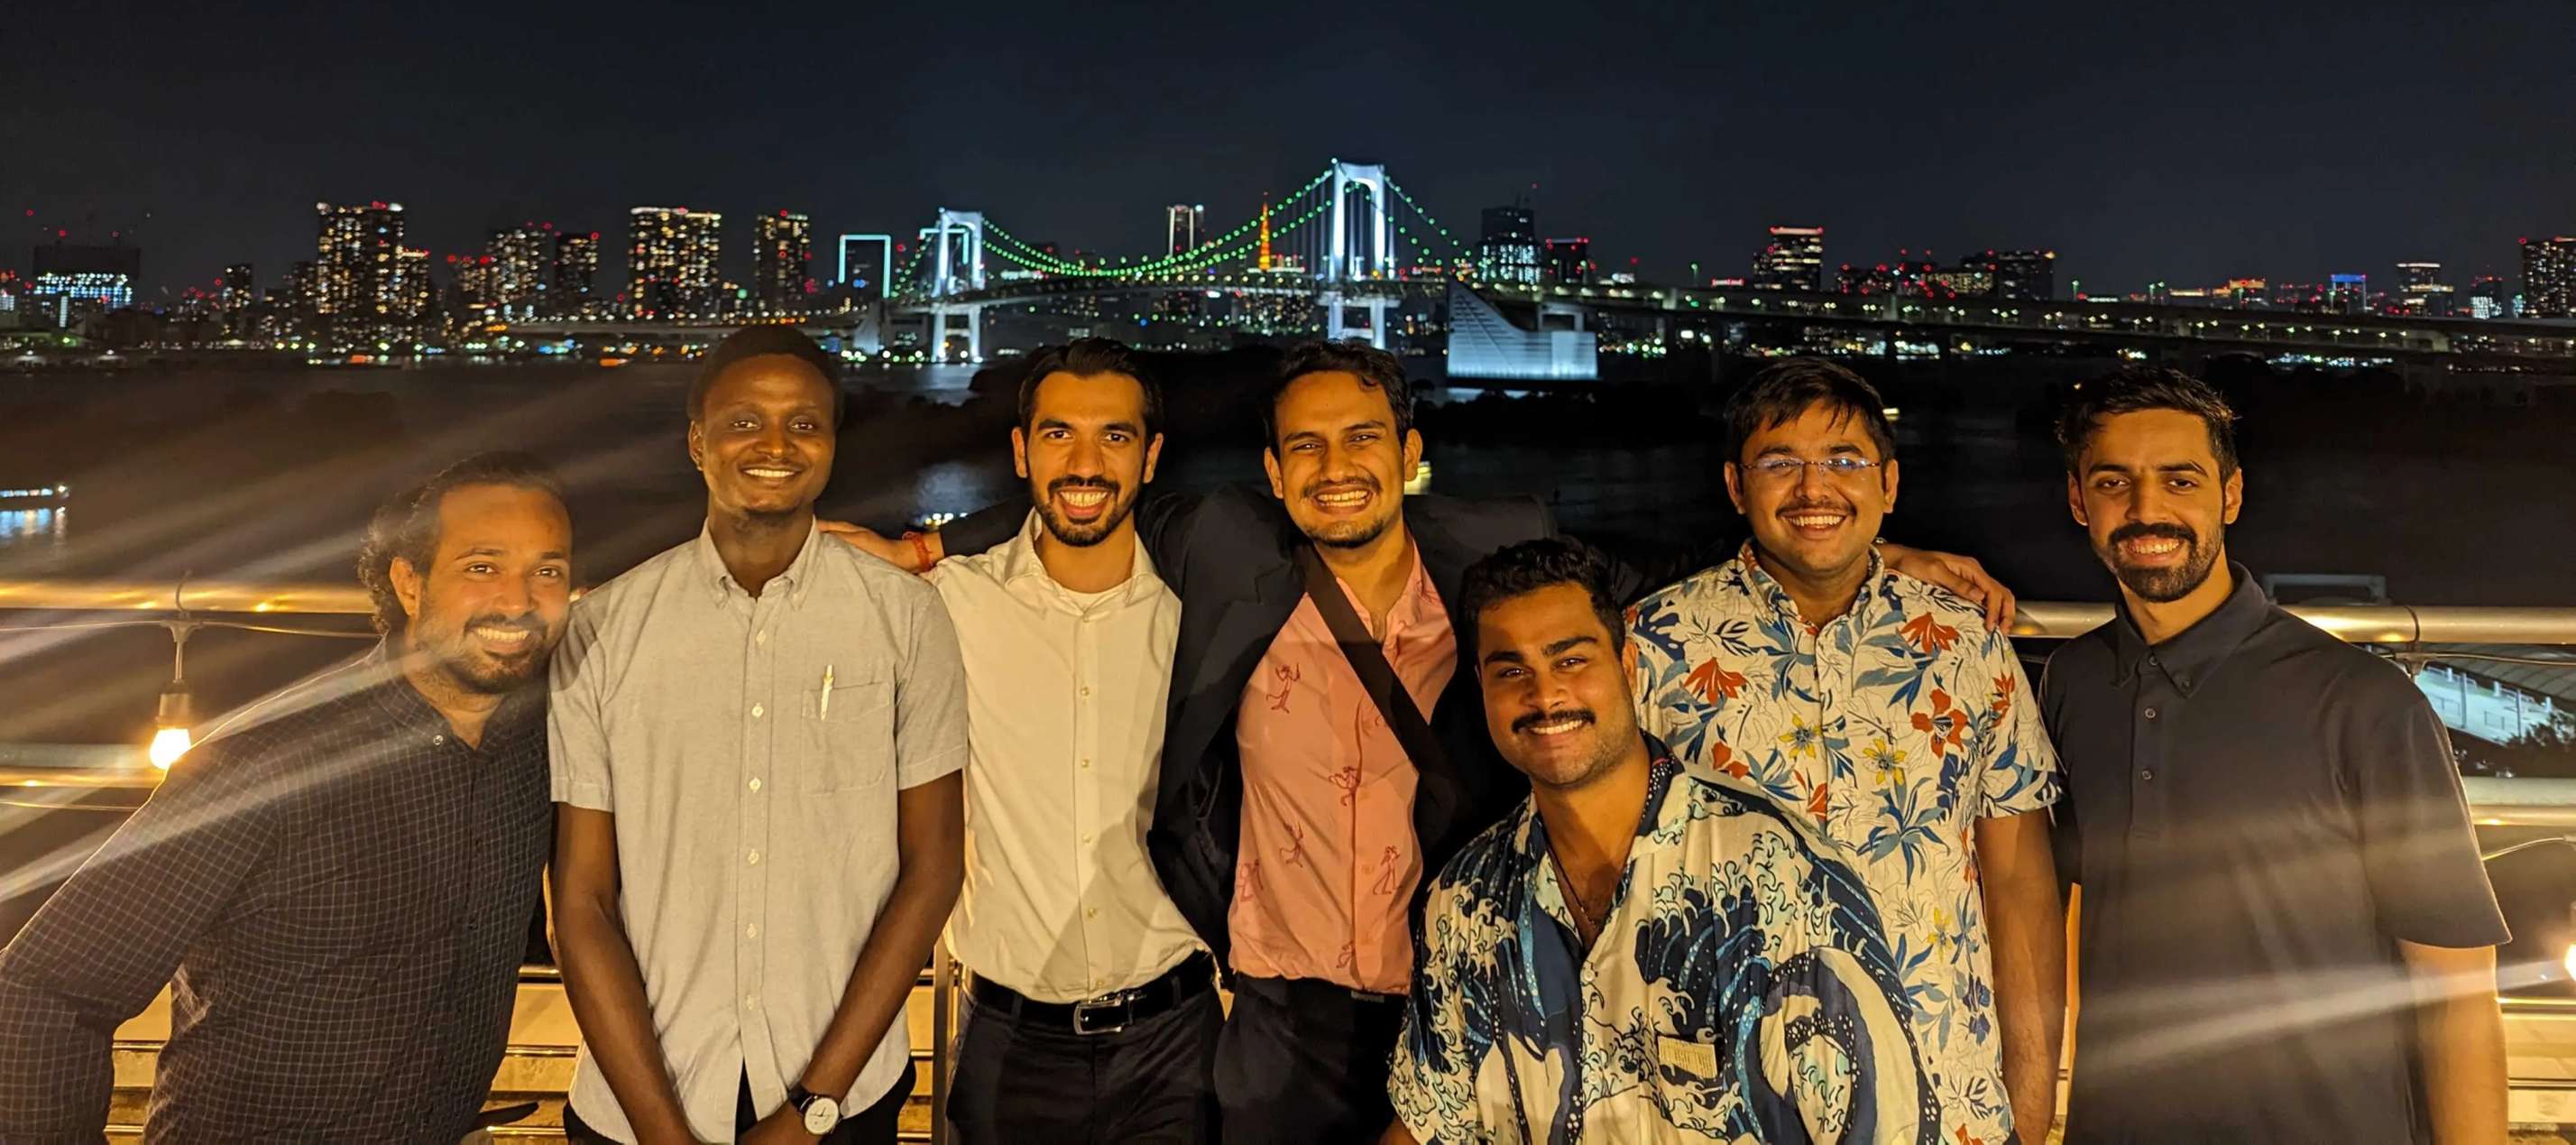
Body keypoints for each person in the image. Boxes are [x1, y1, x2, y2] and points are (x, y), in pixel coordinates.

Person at [834, 341, 2016, 1144]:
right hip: (1274, 1032)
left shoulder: (1495, 549)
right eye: (1306, 447)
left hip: (1474, 1004)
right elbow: (1084, 493)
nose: (1335, 468)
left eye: (1363, 441)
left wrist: (1869, 553)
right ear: (1269, 472)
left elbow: (1677, 584)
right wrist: (930, 551)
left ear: (1408, 454)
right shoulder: (1230, 553)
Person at [0, 452, 572, 1141]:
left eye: (548, 571)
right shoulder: (267, 761)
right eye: (482, 567)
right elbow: (45, 991)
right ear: (409, 582)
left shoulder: (545, 745)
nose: (518, 600)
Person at [2040, 366, 2507, 1143]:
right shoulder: (2074, 681)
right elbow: (2072, 908)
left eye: (2180, 480)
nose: (2147, 509)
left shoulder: (2362, 703)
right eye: (2114, 481)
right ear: (2078, 500)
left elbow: (2455, 987)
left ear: (2230, 494)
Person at [1626, 358, 2065, 1144]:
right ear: (1736, 487)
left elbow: (2020, 889)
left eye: (1844, 461)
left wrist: (2027, 1116)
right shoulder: (1652, 650)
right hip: (1721, 1108)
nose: (1813, 488)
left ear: (1889, 486)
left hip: (1941, 1098)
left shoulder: (1969, 648)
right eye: (1779, 462)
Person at [548, 326, 968, 1144]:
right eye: (744, 422)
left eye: (805, 424)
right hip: (637, 1102)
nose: (776, 444)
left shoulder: (907, 618)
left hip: (843, 1099)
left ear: (833, 444)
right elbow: (581, 899)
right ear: (697, 442)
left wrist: (813, 1108)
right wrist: (661, 1132)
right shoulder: (603, 629)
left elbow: (933, 869)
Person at [1385, 537, 1937, 1144]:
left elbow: (1889, 1128)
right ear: (1483, 691)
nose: (1543, 695)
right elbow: (1433, 1122)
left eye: (1571, 660)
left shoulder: (1777, 876)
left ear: (1628, 667)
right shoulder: (1465, 901)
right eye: (1512, 670)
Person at [928, 339, 1219, 1141]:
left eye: (1115, 437)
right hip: (1008, 1043)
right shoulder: (949, 602)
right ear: (1021, 451)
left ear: (1152, 456)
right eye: (1059, 435)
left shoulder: (1200, 614)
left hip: (1177, 1038)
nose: (1085, 464)